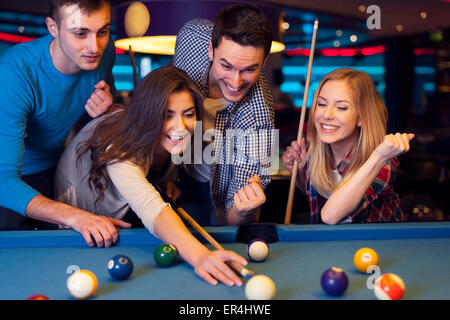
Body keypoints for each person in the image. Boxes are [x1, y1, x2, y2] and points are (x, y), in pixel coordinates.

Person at [54, 66, 248, 286]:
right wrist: (200, 256)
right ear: (149, 115)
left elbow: (158, 157)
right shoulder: (119, 151)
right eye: (167, 115)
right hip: (76, 226)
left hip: (116, 210)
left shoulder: (156, 135)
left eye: (189, 114)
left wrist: (164, 178)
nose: (181, 127)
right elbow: (151, 208)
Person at [0, 0, 131, 243]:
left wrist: (108, 107)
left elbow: (107, 104)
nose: (95, 46)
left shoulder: (106, 51)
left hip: (60, 167)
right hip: (13, 182)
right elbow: (3, 180)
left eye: (102, 31)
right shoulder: (15, 73)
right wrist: (76, 217)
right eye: (80, 33)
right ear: (53, 28)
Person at [173, 4, 275, 226]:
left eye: (249, 69)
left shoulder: (258, 118)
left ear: (265, 61)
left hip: (213, 190)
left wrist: (245, 211)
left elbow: (234, 215)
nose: (235, 82)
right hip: (170, 172)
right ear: (210, 49)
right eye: (226, 66)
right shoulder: (191, 38)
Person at [281, 68, 414, 224]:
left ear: (361, 118)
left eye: (341, 107)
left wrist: (379, 157)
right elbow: (317, 193)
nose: (327, 115)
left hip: (376, 246)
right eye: (322, 104)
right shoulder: (315, 154)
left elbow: (330, 216)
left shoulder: (383, 161)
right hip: (327, 246)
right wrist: (299, 171)